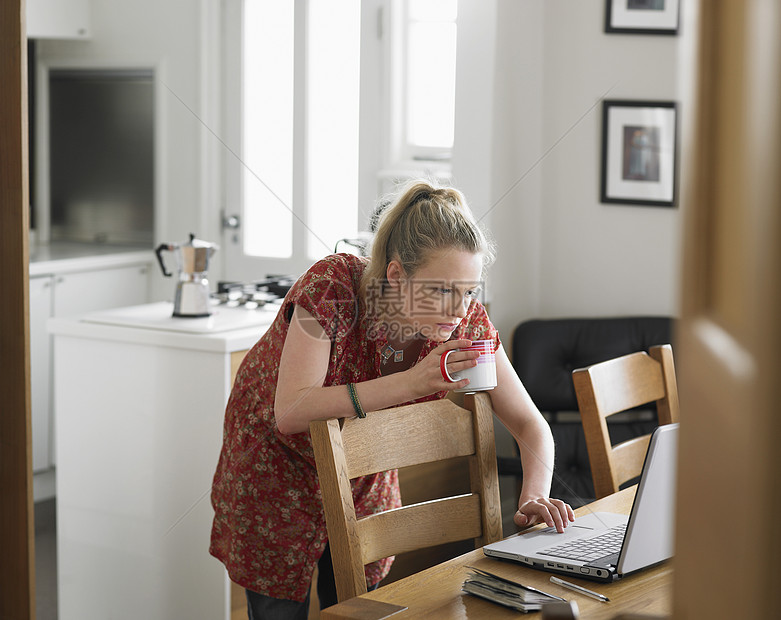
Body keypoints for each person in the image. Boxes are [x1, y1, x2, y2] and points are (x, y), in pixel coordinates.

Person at [209, 179, 574, 619]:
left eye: (469, 291)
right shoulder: (334, 287)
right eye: (441, 290)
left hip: (362, 474)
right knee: (277, 612)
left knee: (358, 609)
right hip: (275, 468)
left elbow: (531, 425)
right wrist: (412, 383)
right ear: (397, 275)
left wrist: (533, 496)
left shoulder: (464, 320)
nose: (459, 309)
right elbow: (290, 411)